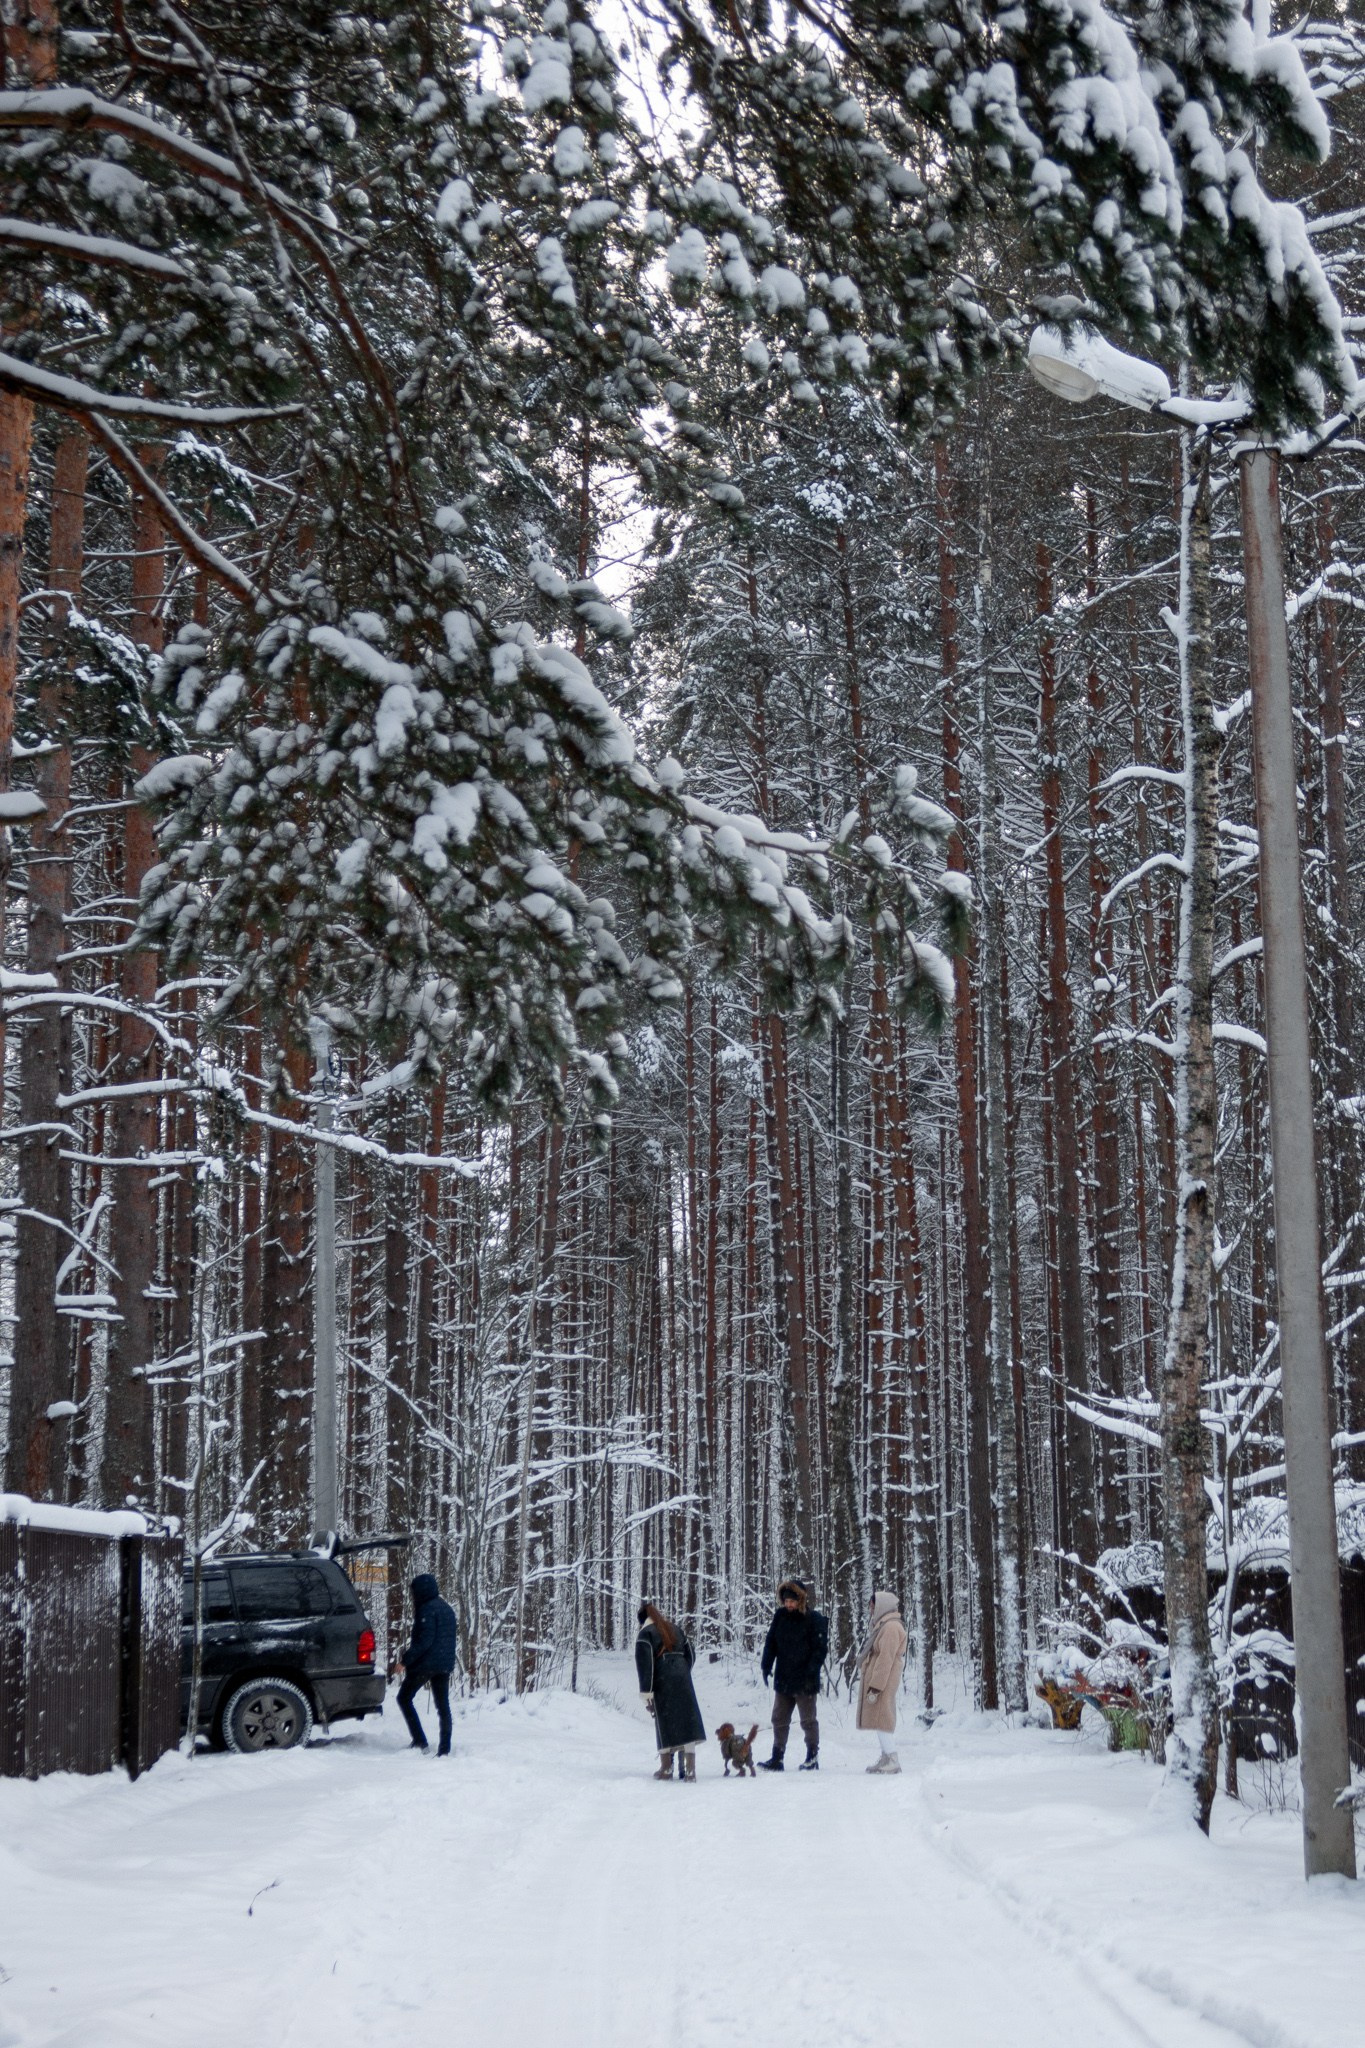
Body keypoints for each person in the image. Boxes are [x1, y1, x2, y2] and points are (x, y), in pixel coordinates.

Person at [758, 1577, 828, 1771]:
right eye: (786, 1601)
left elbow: (820, 1649)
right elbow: (771, 1642)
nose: (788, 1605)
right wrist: (766, 1665)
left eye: (792, 1601)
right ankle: (777, 1757)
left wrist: (811, 1671)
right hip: (784, 1677)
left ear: (800, 1600)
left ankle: (812, 1756)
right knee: (779, 1718)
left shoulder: (813, 1619)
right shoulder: (780, 1616)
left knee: (808, 1720)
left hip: (805, 1679)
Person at [635, 1600, 705, 1780]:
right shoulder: (675, 1629)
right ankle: (690, 1771)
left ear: (642, 1620)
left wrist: (647, 1693)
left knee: (664, 1722)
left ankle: (666, 1769)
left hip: (662, 1679)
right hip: (683, 1676)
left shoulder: (645, 1634)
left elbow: (645, 1666)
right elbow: (691, 1655)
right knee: (687, 1722)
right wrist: (682, 1671)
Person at [397, 1572, 458, 1756]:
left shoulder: (426, 1610)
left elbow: (425, 1641)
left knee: (404, 1698)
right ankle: (444, 1749)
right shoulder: (447, 1609)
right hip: (444, 1665)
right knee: (443, 1706)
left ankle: (420, 1741)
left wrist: (405, 1661)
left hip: (426, 1665)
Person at [857, 1588, 908, 1774]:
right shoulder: (883, 1626)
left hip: (884, 1680)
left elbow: (885, 1658)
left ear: (882, 1606)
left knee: (882, 1718)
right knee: (878, 1719)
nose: (871, 1610)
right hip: (880, 1678)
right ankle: (886, 1756)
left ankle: (892, 1758)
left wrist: (876, 1686)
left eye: (873, 1606)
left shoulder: (891, 1627)